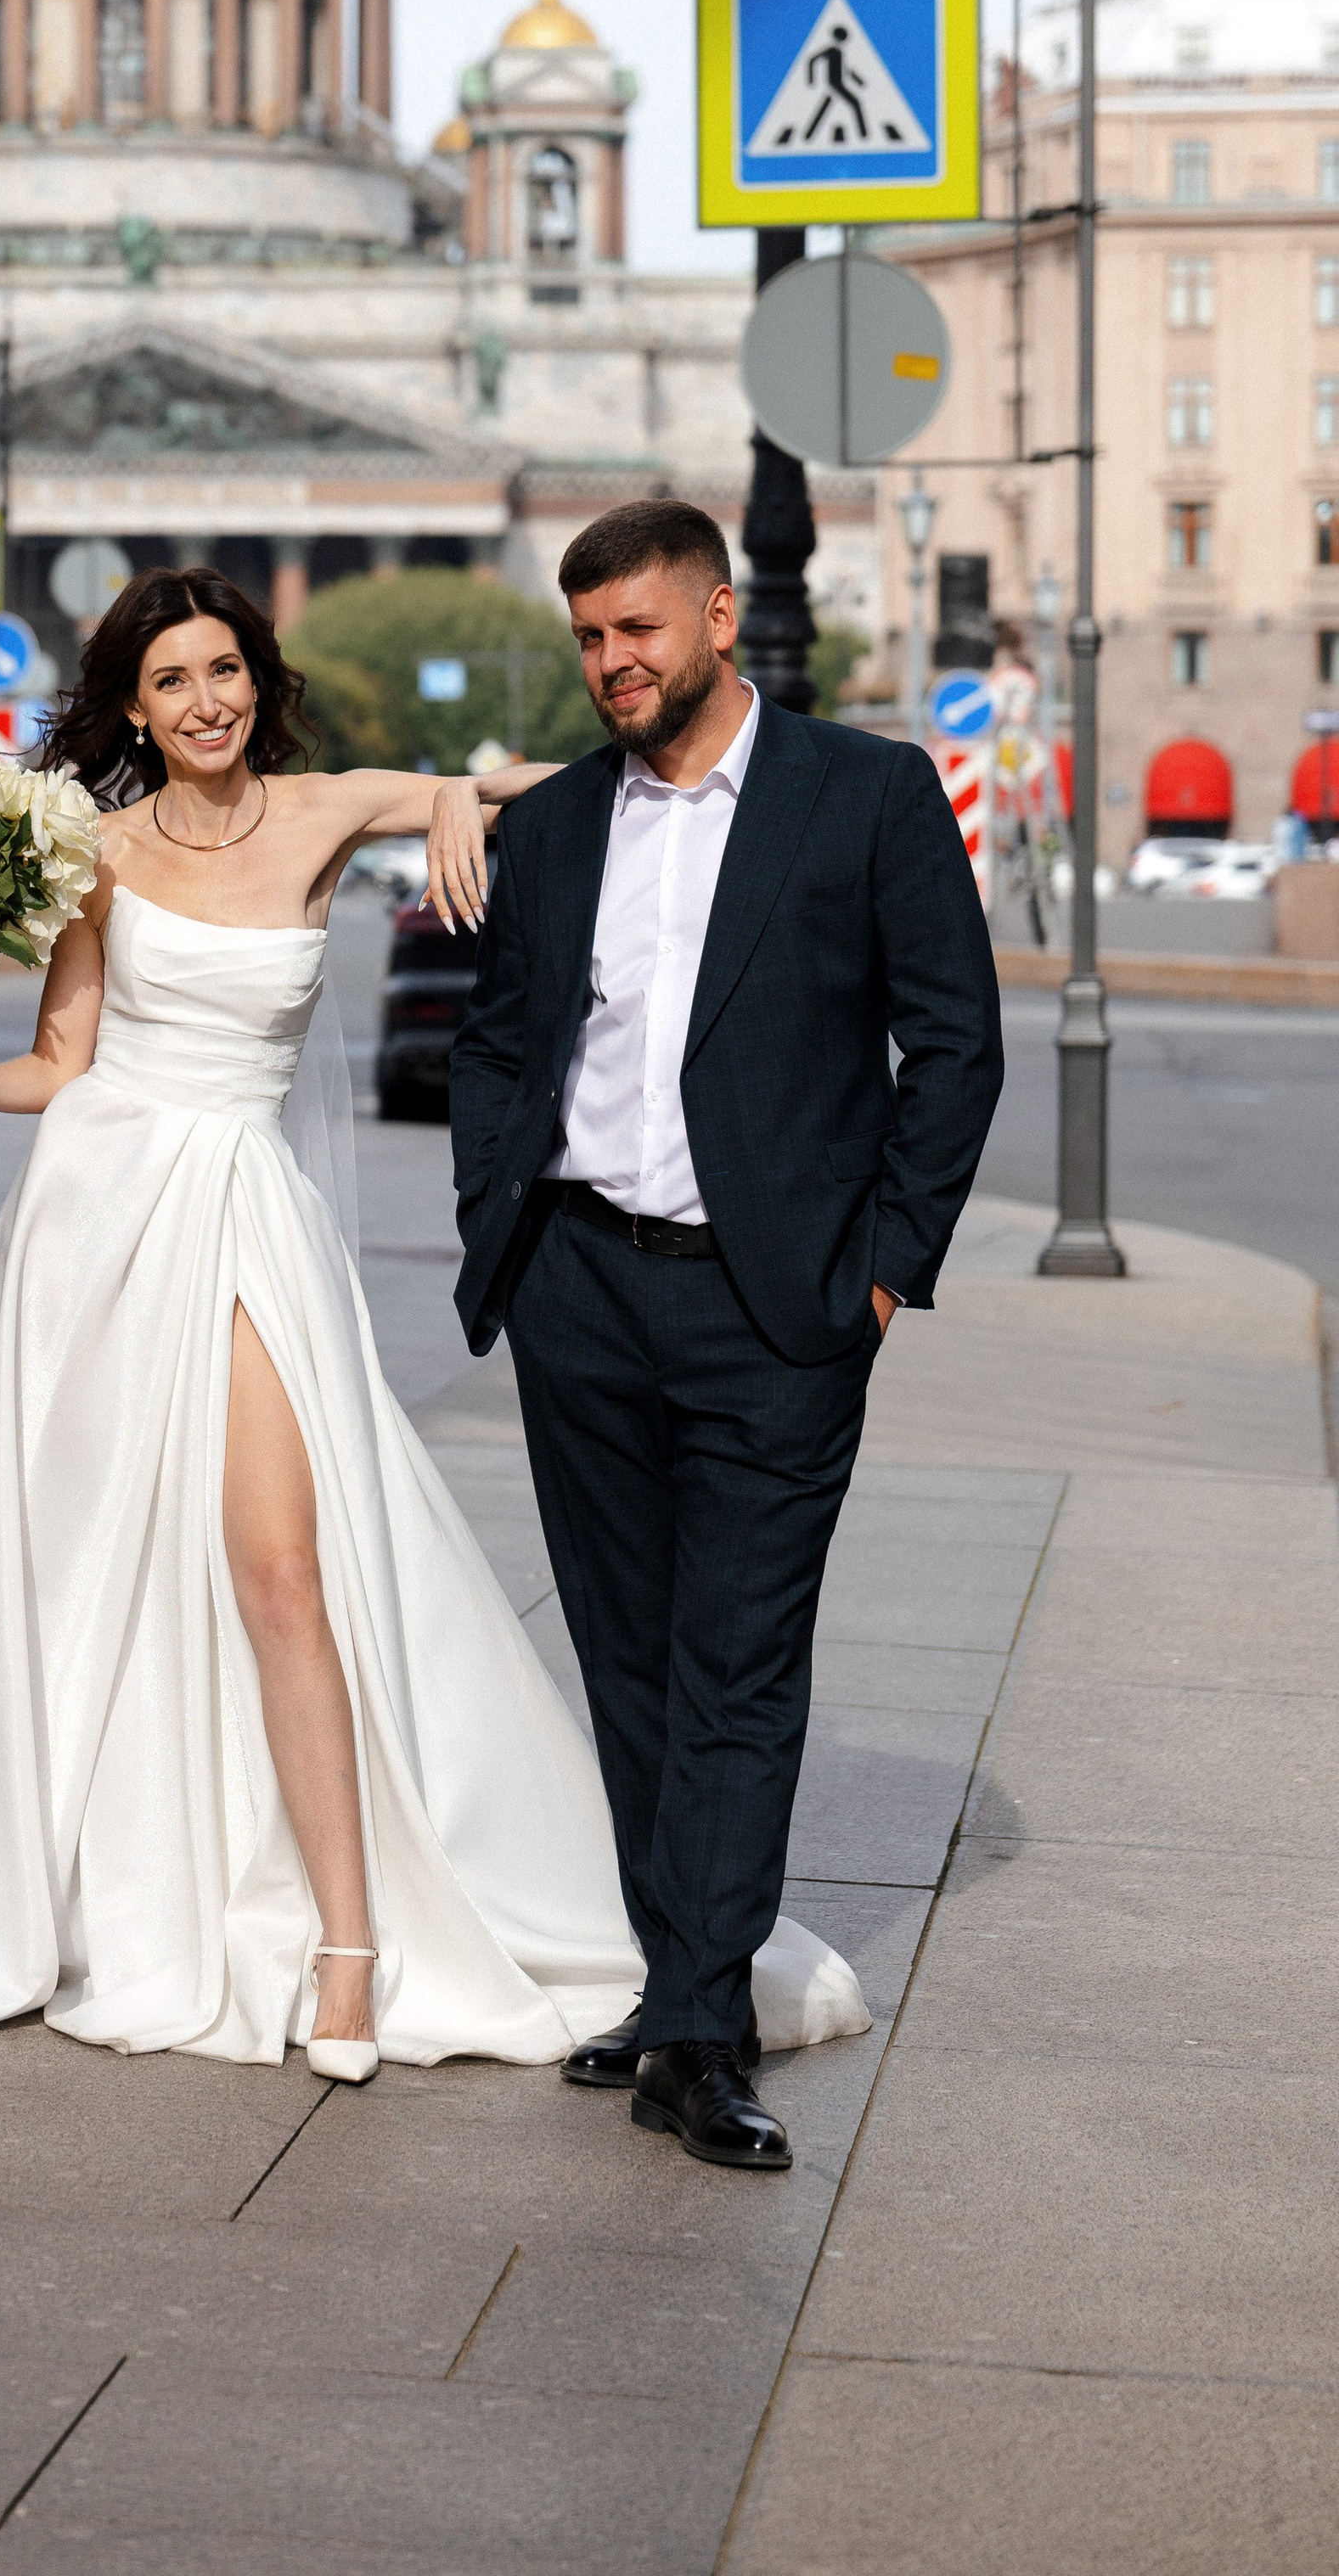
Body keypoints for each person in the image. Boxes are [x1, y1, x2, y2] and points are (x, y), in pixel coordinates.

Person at [0, 565, 867, 2081]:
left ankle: (348, 1943)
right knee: (86, 1569)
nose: (203, 702)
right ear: (133, 712)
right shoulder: (100, 849)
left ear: (255, 679)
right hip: (95, 1226)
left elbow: (548, 783)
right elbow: (69, 1060)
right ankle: (97, 1881)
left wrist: (468, 796)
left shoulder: (327, 810)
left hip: (243, 1217)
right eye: (170, 683)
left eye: (223, 671)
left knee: (282, 1570)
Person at [450, 500, 1004, 2169]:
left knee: (737, 1659)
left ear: (713, 616)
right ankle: (673, 1976)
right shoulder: (548, 830)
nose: (611, 663)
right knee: (625, 1659)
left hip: (778, 1308)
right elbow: (498, 1043)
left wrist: (884, 1275)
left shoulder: (866, 796)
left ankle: (699, 2029)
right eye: (586, 640)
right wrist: (510, 1231)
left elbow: (953, 1045)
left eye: (635, 630)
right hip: (583, 1294)